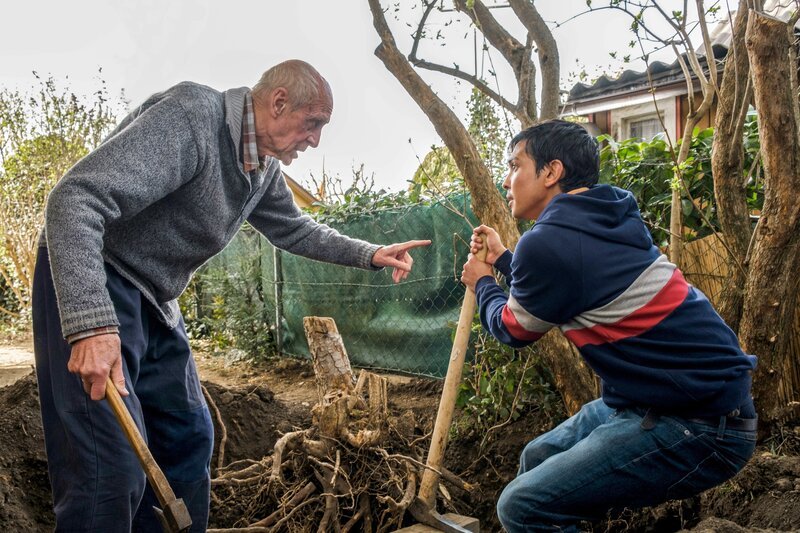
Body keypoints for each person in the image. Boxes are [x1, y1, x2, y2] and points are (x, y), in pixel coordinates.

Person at [33, 59, 430, 532]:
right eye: (314, 123)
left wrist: (372, 253)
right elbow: (74, 199)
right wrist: (91, 323)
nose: (315, 140)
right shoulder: (192, 117)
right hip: (97, 282)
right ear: (278, 102)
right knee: (109, 469)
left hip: (157, 300)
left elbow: (295, 230)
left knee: (187, 439)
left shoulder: (260, 168)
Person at [460, 119, 757, 532]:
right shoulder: (607, 212)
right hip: (661, 399)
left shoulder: (549, 241)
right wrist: (508, 261)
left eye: (515, 166)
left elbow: (514, 329)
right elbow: (570, 283)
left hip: (701, 424)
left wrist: (484, 283)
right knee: (536, 458)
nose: (507, 180)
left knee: (522, 507)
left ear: (551, 172)